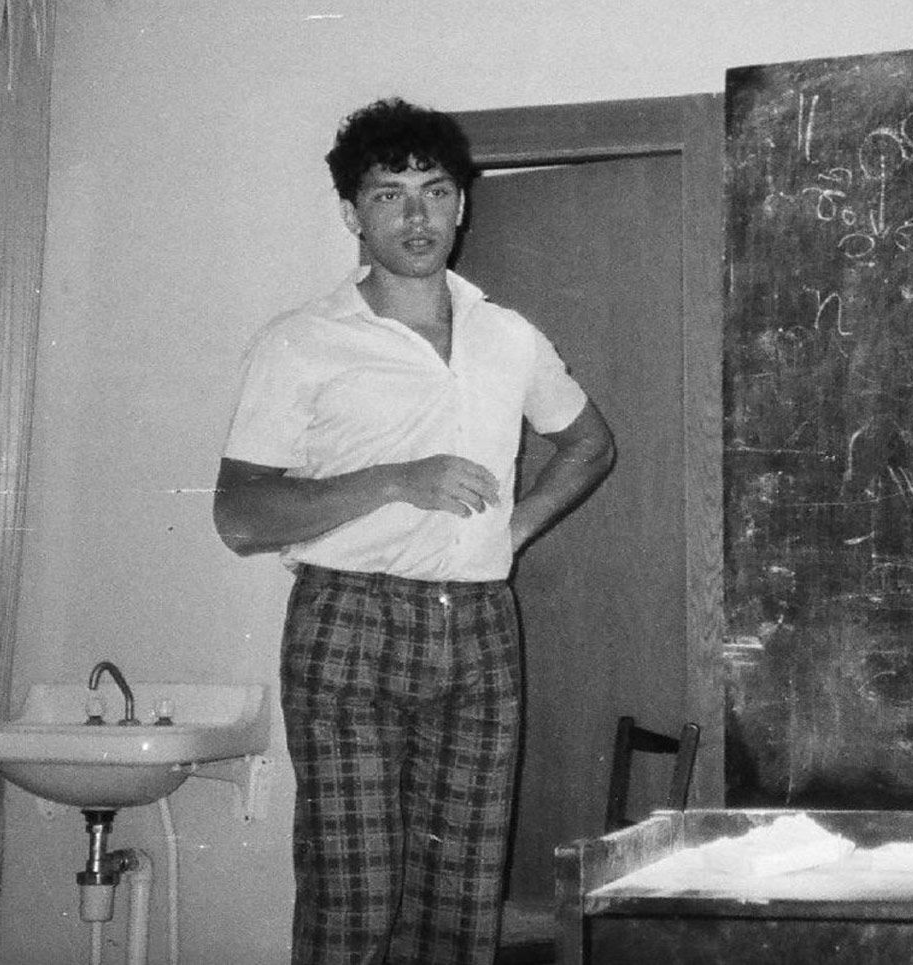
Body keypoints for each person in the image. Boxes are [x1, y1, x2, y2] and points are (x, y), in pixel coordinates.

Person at [212, 97, 615, 965]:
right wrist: (397, 479)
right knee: (355, 898)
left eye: (435, 191)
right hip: (348, 622)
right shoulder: (303, 341)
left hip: (480, 627)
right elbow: (239, 516)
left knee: (463, 903)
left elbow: (590, 444)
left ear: (462, 204)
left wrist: (512, 530)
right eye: (388, 194)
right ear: (352, 213)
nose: (417, 214)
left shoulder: (508, 335)